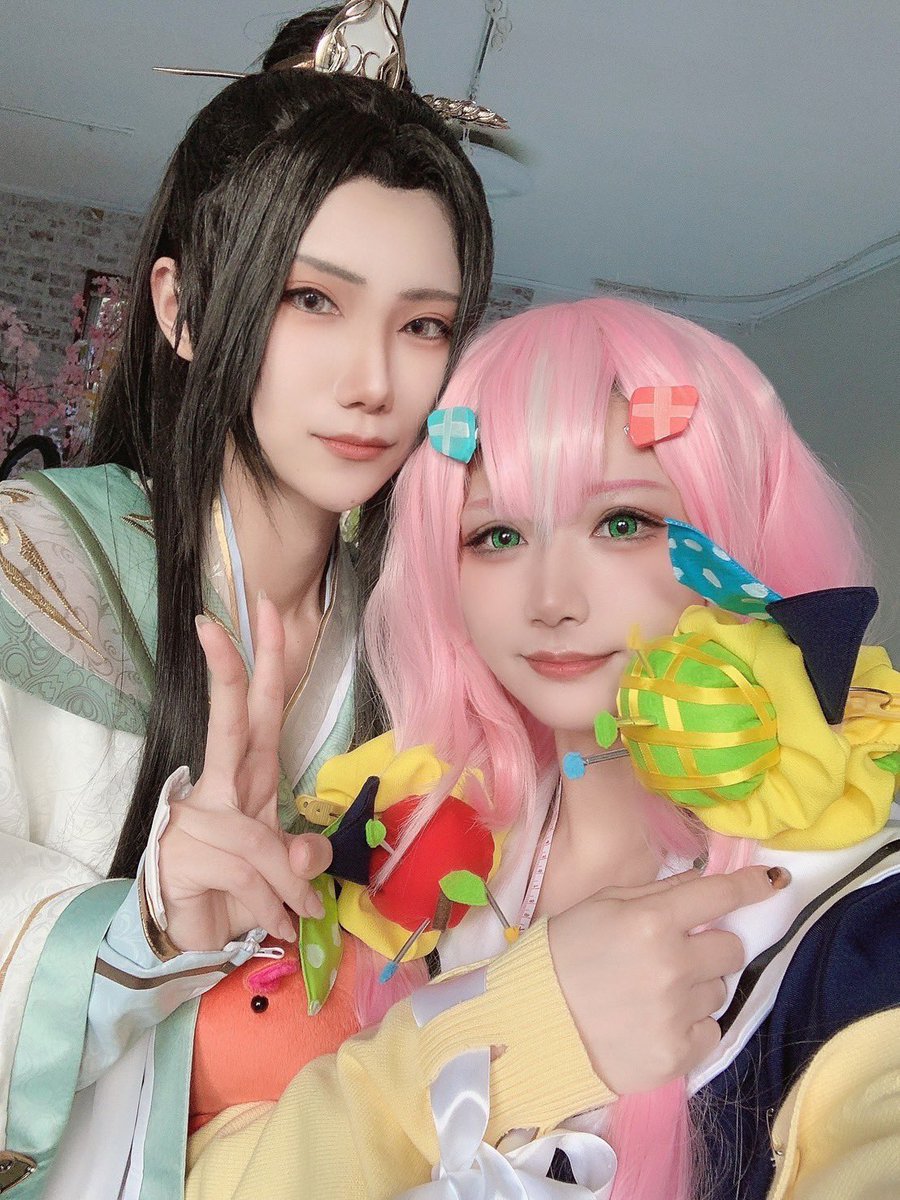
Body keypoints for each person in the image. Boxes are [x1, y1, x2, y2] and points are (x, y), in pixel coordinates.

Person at [183, 297, 899, 1199]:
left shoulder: (855, 919)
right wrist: (194, 960)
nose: (551, 599)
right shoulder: (424, 854)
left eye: (624, 522)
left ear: (739, 533)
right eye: (497, 536)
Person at [0, 4, 496, 1195]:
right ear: (178, 308)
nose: (374, 380)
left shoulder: (428, 636)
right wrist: (151, 924)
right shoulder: (39, 560)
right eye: (311, 299)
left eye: (423, 323)